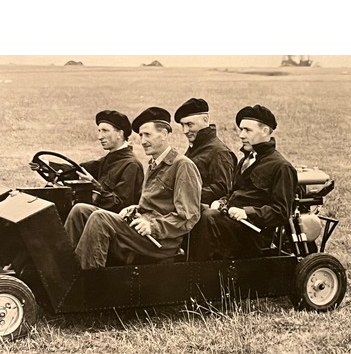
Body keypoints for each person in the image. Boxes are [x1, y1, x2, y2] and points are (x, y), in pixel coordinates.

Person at [64, 106, 202, 270]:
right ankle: (62, 269)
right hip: (143, 232)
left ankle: (88, 283)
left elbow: (188, 217)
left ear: (164, 134)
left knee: (99, 218)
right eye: (141, 135)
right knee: (80, 211)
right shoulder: (153, 164)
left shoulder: (183, 166)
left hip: (160, 242)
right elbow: (156, 204)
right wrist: (135, 208)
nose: (142, 141)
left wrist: (152, 226)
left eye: (147, 135)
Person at [189, 104, 298, 261]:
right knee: (196, 211)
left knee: (207, 218)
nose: (241, 135)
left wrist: (247, 212)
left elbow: (281, 212)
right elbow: (233, 192)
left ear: (265, 131)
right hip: (233, 225)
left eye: (247, 130)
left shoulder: (281, 167)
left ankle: (200, 274)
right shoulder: (245, 161)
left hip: (255, 233)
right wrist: (221, 201)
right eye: (241, 129)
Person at [31, 110, 144, 212]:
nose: (100, 136)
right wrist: (47, 165)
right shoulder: (109, 159)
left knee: (75, 209)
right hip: (97, 214)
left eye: (105, 131)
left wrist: (93, 184)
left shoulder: (131, 165)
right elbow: (77, 170)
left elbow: (120, 205)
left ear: (120, 133)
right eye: (99, 131)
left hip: (110, 222)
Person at [174, 98, 236, 206]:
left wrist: (184, 195)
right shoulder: (196, 147)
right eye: (182, 125)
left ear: (205, 119)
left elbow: (222, 190)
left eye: (189, 124)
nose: (185, 131)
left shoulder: (219, 153)